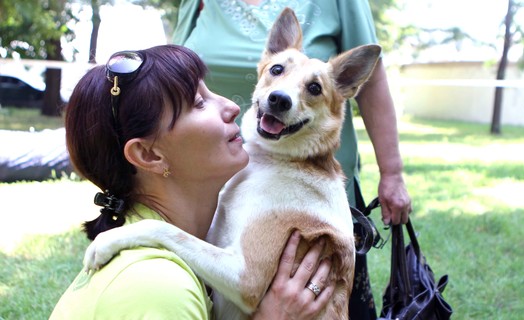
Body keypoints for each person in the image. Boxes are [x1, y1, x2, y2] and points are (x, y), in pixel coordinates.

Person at [50, 45, 334, 319]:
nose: (233, 106)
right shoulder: (162, 289)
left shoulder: (179, 257)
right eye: (199, 103)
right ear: (148, 154)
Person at [172, 1, 412, 318]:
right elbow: (170, 76)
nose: (283, 93)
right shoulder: (196, 4)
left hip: (305, 177)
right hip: (218, 165)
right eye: (277, 71)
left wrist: (392, 172)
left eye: (313, 88)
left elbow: (244, 284)